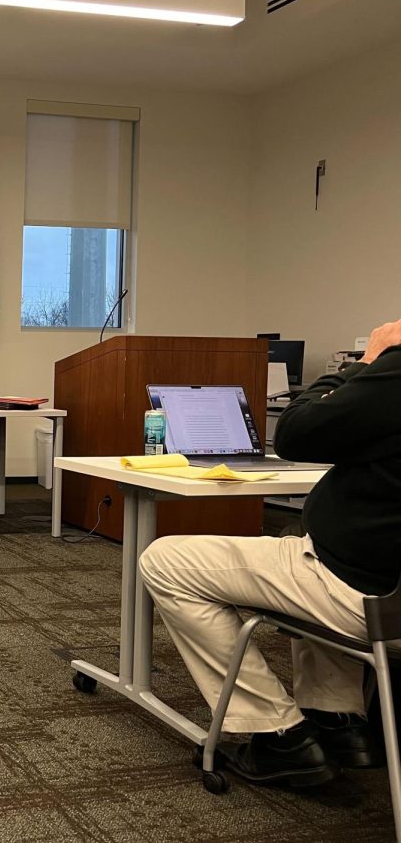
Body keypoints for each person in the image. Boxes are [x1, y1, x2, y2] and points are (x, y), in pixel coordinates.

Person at [139, 318, 401, 788]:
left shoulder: (394, 372)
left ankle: (277, 734)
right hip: (376, 579)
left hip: (370, 599)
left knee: (164, 560)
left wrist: (366, 361)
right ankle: (339, 722)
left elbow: (298, 431)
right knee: (304, 548)